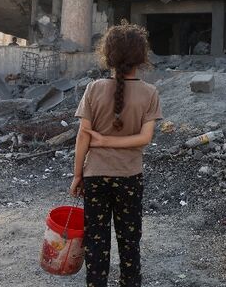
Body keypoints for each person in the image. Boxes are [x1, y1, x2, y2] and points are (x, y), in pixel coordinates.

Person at [69, 22, 162, 287]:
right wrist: (111, 141)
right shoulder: (150, 93)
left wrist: (77, 175)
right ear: (141, 57)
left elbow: (83, 136)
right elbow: (145, 138)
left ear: (107, 55)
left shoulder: (93, 89)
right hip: (130, 177)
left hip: (95, 176)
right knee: (130, 242)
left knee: (96, 243)